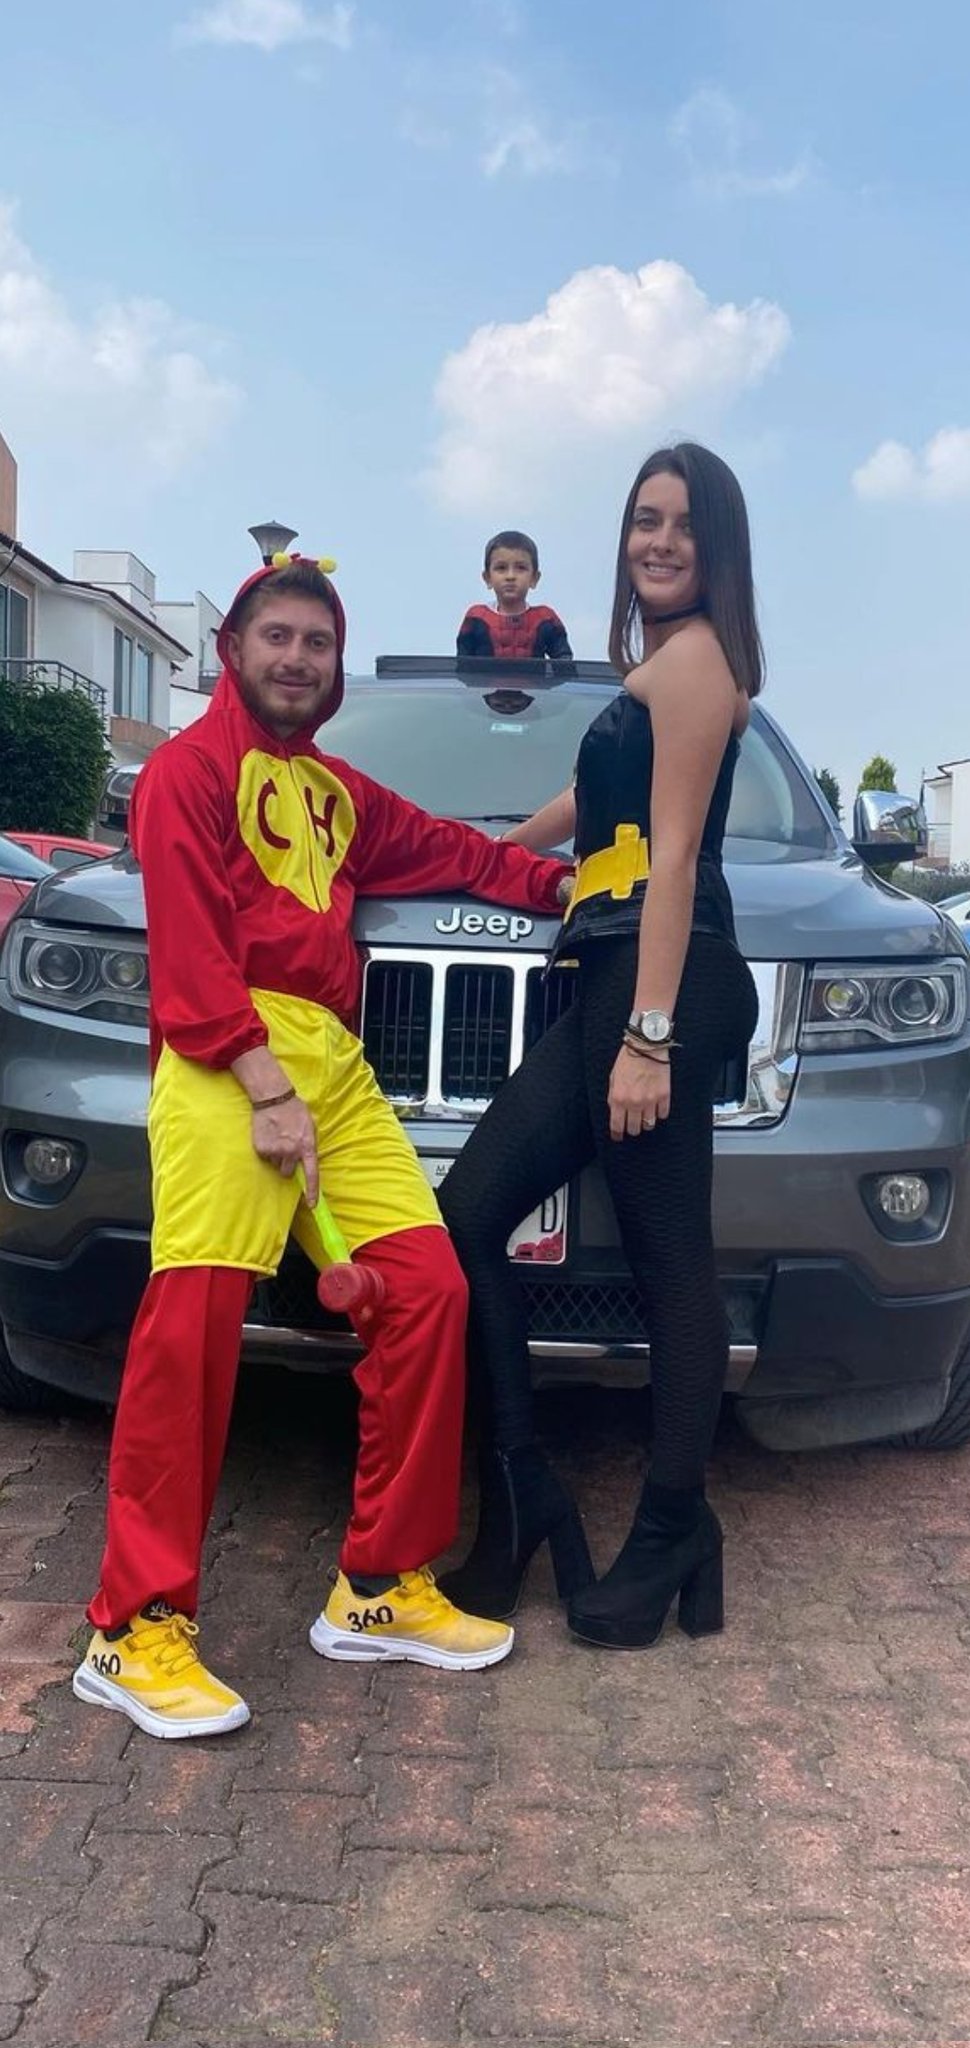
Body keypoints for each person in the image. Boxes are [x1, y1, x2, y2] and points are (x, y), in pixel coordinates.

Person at [73, 554, 572, 1739]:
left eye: (317, 642)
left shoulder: (337, 793)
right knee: (193, 1325)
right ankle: (132, 1627)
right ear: (234, 649)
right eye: (278, 636)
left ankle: (380, 1584)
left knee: (428, 1286)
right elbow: (188, 947)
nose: (297, 658)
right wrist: (259, 1081)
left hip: (335, 1067)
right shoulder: (186, 772)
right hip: (224, 1057)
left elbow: (457, 851)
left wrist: (567, 885)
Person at [438, 444, 761, 1650]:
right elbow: (592, 813)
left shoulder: (700, 661)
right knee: (468, 1211)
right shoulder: (651, 671)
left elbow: (671, 854)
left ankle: (675, 1523)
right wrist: (474, 854)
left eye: (681, 523)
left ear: (717, 546)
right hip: (614, 967)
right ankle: (522, 1486)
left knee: (672, 1258)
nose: (657, 541)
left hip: (666, 976)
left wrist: (650, 1035)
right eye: (642, 520)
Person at [457, 530, 573, 661]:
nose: (510, 576)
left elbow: (564, 663)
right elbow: (462, 666)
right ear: (487, 578)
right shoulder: (476, 618)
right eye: (501, 568)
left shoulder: (545, 619)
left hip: (532, 676)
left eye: (521, 568)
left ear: (534, 578)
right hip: (484, 676)